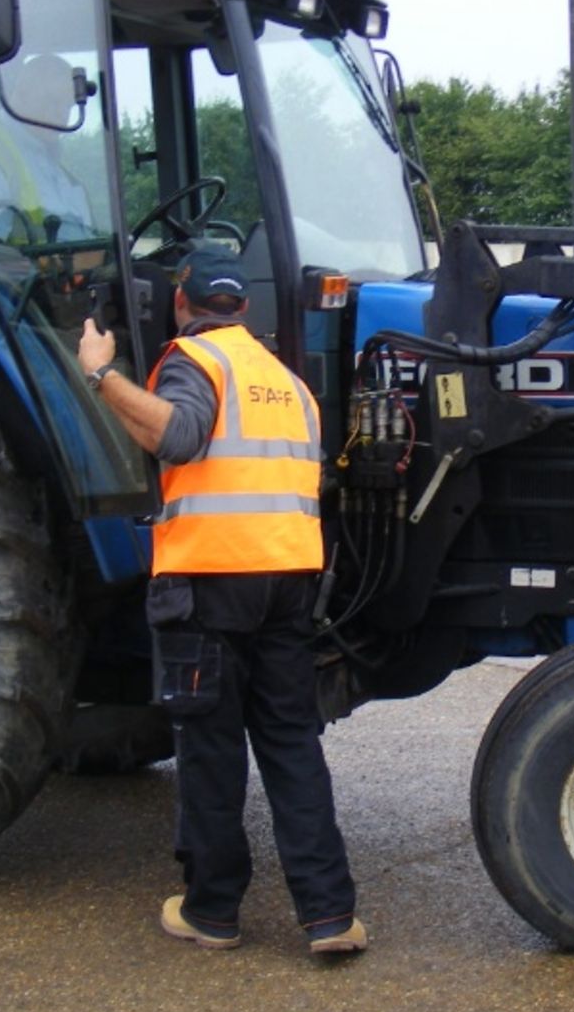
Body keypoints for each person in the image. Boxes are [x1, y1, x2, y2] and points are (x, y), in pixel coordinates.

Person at [77, 246, 365, 955]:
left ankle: (212, 910)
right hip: (290, 584)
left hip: (209, 585)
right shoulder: (288, 383)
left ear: (183, 304)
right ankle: (330, 916)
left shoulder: (193, 362)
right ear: (244, 307)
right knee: (291, 746)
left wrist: (100, 375)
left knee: (210, 751)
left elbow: (178, 434)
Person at [0, 53, 99, 248]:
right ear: (22, 93)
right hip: (33, 277)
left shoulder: (60, 171)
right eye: (52, 102)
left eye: (67, 106)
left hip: (81, 276)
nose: (61, 114)